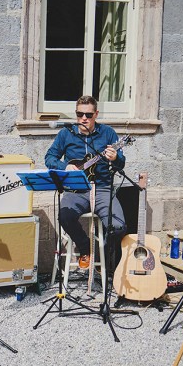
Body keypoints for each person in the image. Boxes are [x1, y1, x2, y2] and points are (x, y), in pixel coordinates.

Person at [45, 95, 127, 270]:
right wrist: (65, 166)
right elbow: (49, 157)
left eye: (88, 115)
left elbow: (121, 163)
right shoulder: (66, 133)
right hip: (75, 190)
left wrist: (115, 158)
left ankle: (100, 254)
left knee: (118, 226)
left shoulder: (108, 133)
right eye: (79, 114)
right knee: (65, 216)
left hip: (102, 189)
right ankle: (84, 248)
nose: (83, 118)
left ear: (96, 114)